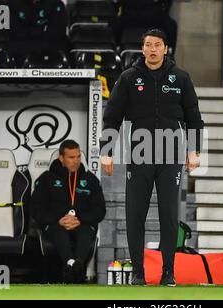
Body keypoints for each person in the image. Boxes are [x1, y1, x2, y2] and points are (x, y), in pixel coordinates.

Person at [100, 29, 204, 286]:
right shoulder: (128, 78)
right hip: (140, 153)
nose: (153, 49)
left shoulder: (180, 77)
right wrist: (106, 151)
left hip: (171, 155)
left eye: (158, 45)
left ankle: (168, 271)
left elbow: (193, 117)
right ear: (143, 49)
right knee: (135, 214)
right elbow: (112, 116)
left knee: (169, 215)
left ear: (166, 48)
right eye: (148, 45)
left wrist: (194, 150)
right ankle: (138, 272)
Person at [31, 140, 106, 283]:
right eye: (71, 157)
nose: (76, 161)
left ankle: (72, 266)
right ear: (61, 158)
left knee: (85, 232)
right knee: (59, 231)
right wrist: (57, 219)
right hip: (55, 224)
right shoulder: (47, 179)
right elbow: (35, 208)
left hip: (82, 223)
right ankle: (75, 267)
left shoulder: (90, 179)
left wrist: (80, 219)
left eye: (78, 157)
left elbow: (100, 210)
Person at [7, 0, 68, 66]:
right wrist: (41, 30)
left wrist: (29, 30)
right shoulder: (13, 4)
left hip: (50, 46)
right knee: (10, 48)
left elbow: (57, 33)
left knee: (62, 46)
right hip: (21, 46)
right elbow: (15, 31)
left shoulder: (57, 4)